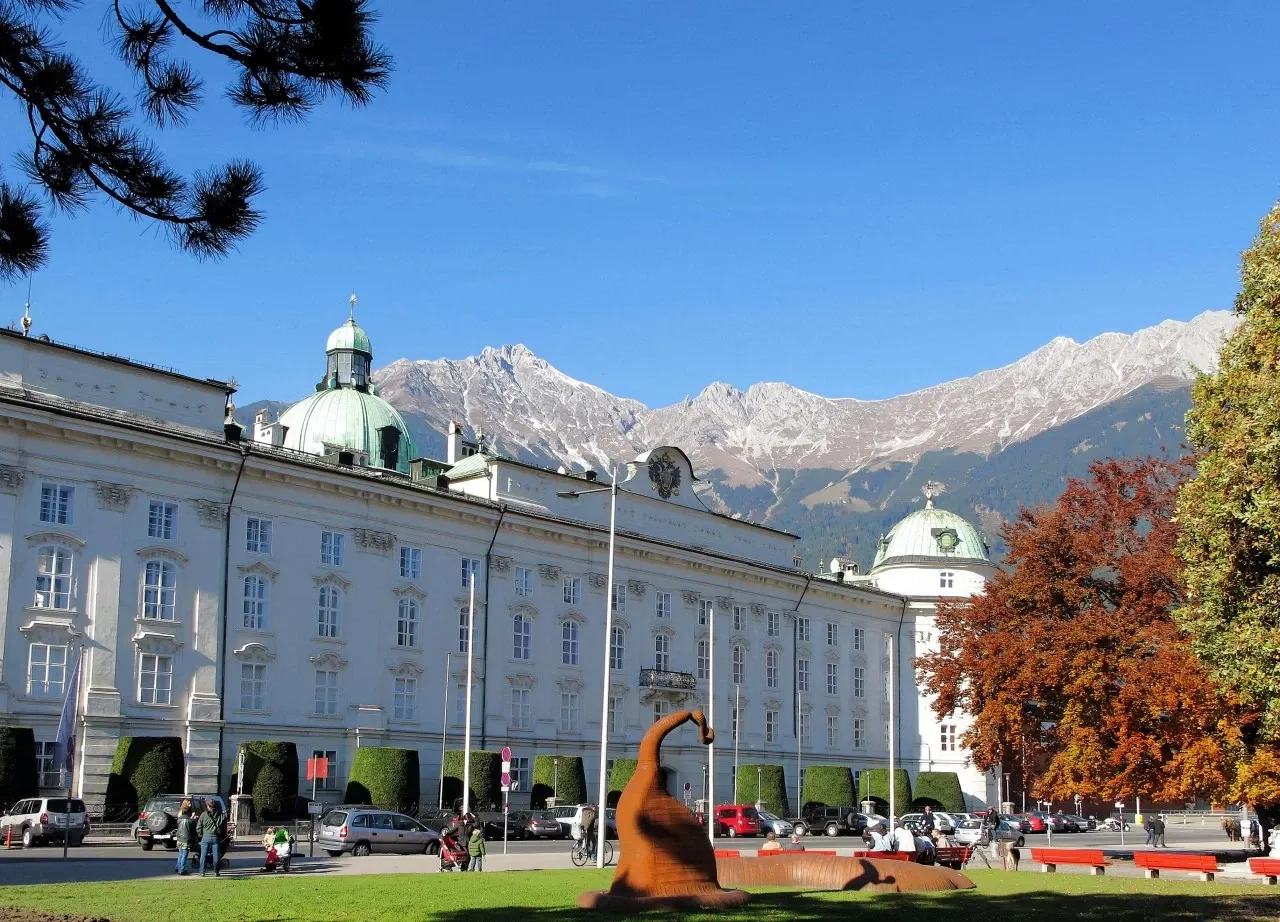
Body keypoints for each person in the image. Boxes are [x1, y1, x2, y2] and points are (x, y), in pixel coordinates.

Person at [196, 799, 223, 877]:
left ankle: (202, 872)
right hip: (216, 837)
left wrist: (200, 835)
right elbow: (223, 826)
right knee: (216, 855)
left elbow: (198, 827)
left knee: (203, 855)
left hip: (205, 837)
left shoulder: (204, 815)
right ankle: (216, 871)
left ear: (208, 806)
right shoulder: (220, 815)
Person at [174, 801, 195, 875]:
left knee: (180, 854)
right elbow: (193, 831)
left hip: (179, 838)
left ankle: (178, 867)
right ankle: (181, 869)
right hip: (186, 839)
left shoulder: (179, 819)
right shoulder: (190, 821)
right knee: (184, 855)